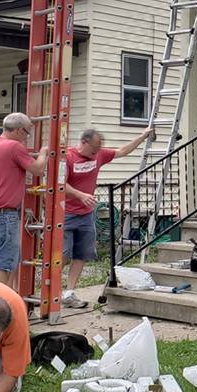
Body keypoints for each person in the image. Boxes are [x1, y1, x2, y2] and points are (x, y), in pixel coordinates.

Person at [60, 127, 153, 308]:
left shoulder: (99, 155)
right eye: (94, 147)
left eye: (99, 148)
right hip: (66, 214)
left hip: (86, 215)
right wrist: (80, 195)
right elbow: (60, 183)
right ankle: (52, 295)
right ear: (84, 142)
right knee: (62, 256)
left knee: (81, 254)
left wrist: (142, 136)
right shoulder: (68, 157)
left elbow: (123, 151)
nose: (96, 151)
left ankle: (69, 293)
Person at [0, 112, 48, 288]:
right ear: (19, 130)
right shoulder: (13, 147)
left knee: (9, 259)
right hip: (5, 213)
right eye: (27, 133)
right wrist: (43, 153)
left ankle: (7, 297)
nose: (27, 137)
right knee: (3, 263)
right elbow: (38, 169)